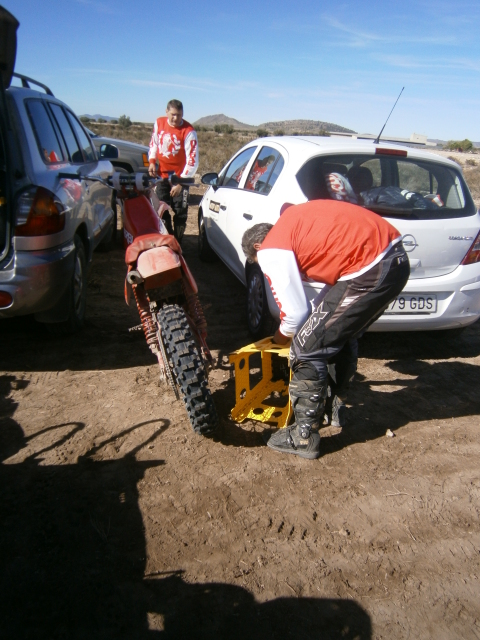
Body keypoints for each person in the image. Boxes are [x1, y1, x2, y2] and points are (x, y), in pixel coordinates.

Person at [241, 200, 410, 460]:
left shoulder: (271, 248)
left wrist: (280, 338)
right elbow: (318, 309)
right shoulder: (294, 227)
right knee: (333, 334)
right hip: (390, 260)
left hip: (371, 268)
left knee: (306, 348)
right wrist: (310, 327)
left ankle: (303, 436)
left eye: (256, 261)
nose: (261, 267)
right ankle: (334, 406)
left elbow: (295, 316)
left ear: (257, 247)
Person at [148, 99, 198, 242]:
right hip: (162, 175)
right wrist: (152, 161)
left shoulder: (189, 131)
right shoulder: (159, 123)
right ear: (167, 112)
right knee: (160, 209)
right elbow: (154, 143)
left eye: (180, 115)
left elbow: (193, 160)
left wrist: (180, 183)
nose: (176, 118)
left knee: (180, 212)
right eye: (173, 114)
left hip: (181, 177)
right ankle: (168, 238)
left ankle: (178, 242)